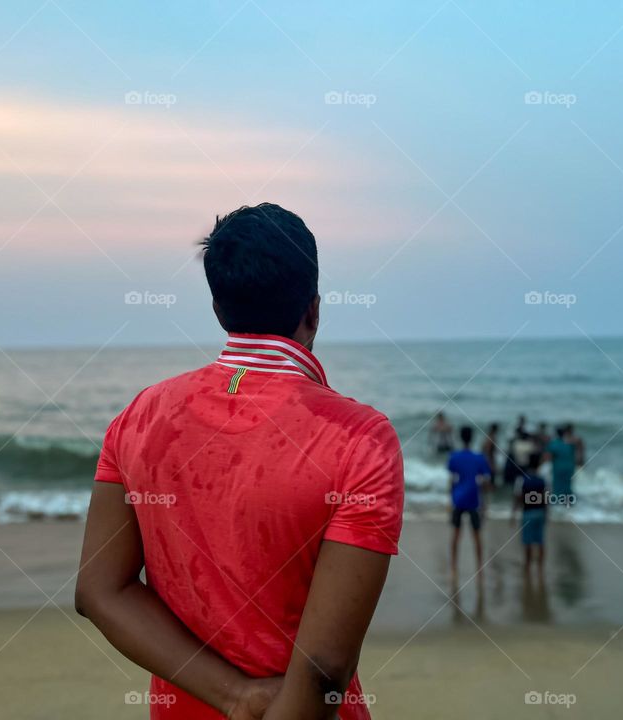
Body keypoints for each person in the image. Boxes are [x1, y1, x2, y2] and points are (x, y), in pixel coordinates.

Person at [75, 204, 404, 720]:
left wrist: (234, 695)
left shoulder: (140, 416)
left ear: (217, 308)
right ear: (314, 310)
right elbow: (324, 669)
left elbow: (100, 590)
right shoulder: (360, 439)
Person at [448, 426, 491, 588]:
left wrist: (450, 500)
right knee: (476, 536)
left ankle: (454, 568)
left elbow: (452, 480)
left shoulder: (454, 457)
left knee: (456, 534)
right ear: (472, 438)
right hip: (474, 499)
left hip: (458, 499)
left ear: (461, 437)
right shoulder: (479, 458)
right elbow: (485, 482)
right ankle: (479, 569)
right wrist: (485, 504)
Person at [512, 452, 547, 574]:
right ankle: (540, 567)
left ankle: (527, 566)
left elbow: (518, 497)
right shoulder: (542, 480)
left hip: (527, 513)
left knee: (528, 542)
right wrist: (546, 514)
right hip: (539, 512)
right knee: (540, 541)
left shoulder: (522, 480)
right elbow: (545, 498)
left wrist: (513, 514)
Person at [545, 425, 577, 500]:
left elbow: (548, 456)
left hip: (558, 467)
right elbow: (573, 456)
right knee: (567, 485)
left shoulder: (553, 444)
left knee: (557, 486)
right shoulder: (569, 444)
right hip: (570, 467)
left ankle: (557, 502)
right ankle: (569, 502)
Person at [480, 422, 499, 490]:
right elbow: (487, 450)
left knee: (490, 474)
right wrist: (490, 461)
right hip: (490, 458)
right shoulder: (491, 438)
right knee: (491, 474)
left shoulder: (488, 436)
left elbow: (483, 448)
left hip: (488, 458)